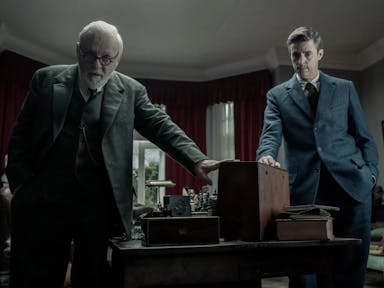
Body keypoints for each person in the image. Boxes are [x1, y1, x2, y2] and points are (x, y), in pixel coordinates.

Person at [6, 20, 221, 288]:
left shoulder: (131, 91)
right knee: (34, 279)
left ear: (118, 59)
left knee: (94, 280)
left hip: (98, 206)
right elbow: (20, 136)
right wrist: (23, 187)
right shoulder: (46, 79)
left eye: (106, 58)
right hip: (43, 202)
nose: (97, 66)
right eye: (89, 55)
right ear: (77, 51)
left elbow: (160, 126)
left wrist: (196, 159)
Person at [256, 26, 379, 288]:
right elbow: (270, 135)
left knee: (350, 272)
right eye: (295, 56)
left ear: (319, 54)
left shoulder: (344, 88)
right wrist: (266, 155)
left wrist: (370, 175)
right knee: (304, 274)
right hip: (305, 195)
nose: (302, 62)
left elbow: (364, 137)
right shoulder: (277, 96)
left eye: (307, 54)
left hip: (353, 189)